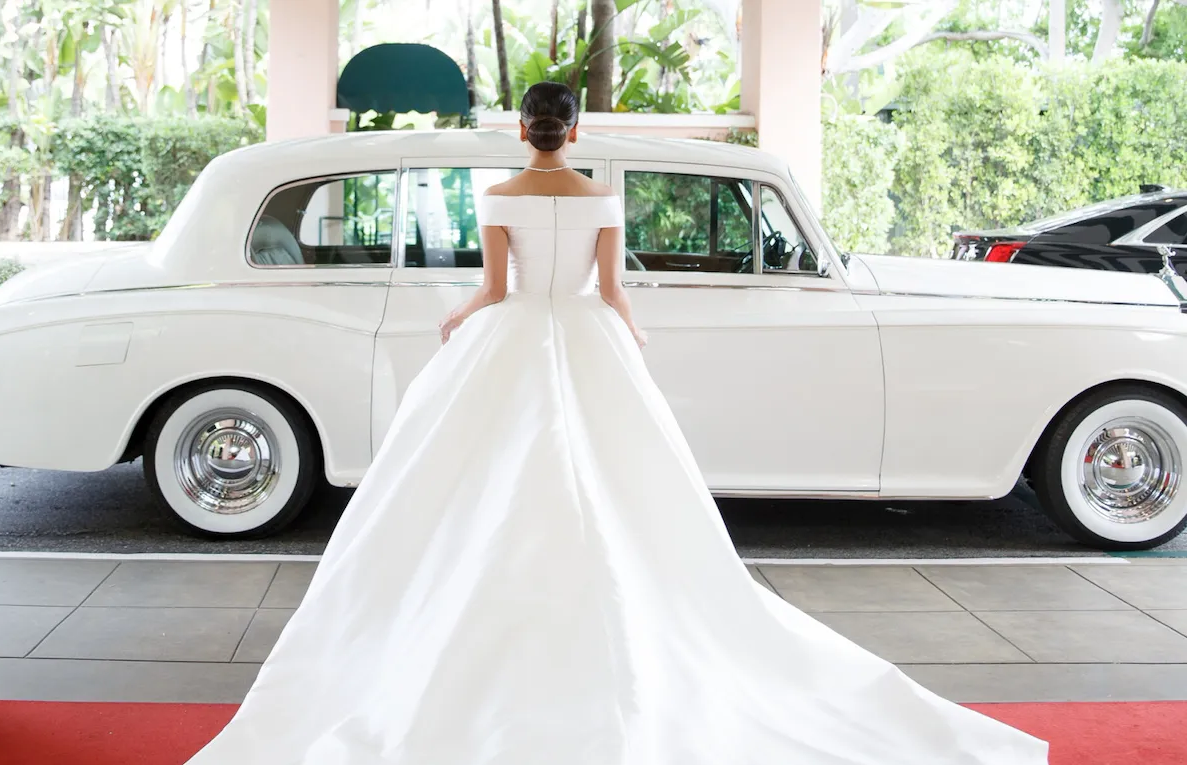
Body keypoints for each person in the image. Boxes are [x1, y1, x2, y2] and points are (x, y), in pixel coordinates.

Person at [184, 82, 1048, 764]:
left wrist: (460, 321)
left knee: (487, 480)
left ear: (524, 130)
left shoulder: (499, 193)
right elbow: (612, 291)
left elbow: (494, 289)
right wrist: (628, 337)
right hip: (588, 333)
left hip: (516, 334)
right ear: (576, 129)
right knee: (619, 483)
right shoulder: (600, 197)